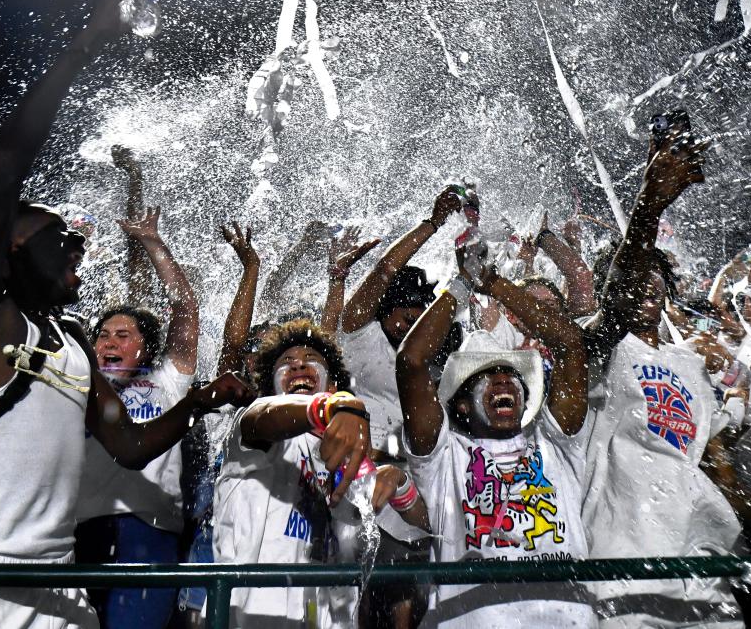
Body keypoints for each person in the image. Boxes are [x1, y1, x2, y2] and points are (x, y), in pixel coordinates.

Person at [0, 0, 250, 629]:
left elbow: (129, 445)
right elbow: (5, 161)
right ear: (7, 247)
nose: (76, 245)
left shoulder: (70, 345)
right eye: (57, 235)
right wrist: (88, 43)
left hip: (60, 592)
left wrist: (200, 402)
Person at [583, 130, 745, 628]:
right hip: (624, 559)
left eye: (659, 275)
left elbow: (712, 460)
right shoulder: (600, 347)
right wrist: (649, 203)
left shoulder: (692, 364)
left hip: (700, 557)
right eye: (637, 272)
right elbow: (616, 303)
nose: (649, 281)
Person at [396, 247, 594, 628]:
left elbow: (571, 345)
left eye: (511, 375)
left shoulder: (556, 445)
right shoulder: (444, 459)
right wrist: (460, 286)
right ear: (463, 406)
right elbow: (411, 362)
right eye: (486, 377)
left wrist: (492, 282)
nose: (504, 380)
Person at [212, 319, 427, 627]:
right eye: (286, 363)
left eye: (312, 360)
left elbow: (426, 526)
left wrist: (399, 482)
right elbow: (263, 416)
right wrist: (332, 406)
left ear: (333, 384)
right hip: (253, 617)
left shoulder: (350, 459)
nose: (299, 367)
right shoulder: (254, 428)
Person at [75, 203, 202, 629]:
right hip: (81, 530)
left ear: (145, 349)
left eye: (123, 335)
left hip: (150, 531)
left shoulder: (165, 382)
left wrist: (152, 242)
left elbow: (186, 310)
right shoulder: (77, 385)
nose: (109, 342)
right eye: (103, 336)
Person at [338, 187, 462, 454]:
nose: (411, 329)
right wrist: (433, 223)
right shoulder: (359, 335)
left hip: (415, 470)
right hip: (360, 462)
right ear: (385, 309)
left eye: (419, 324)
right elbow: (385, 270)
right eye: (407, 319)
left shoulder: (431, 360)